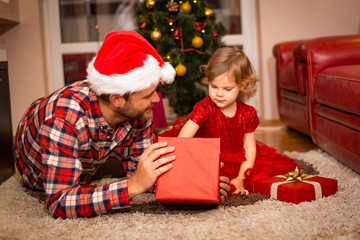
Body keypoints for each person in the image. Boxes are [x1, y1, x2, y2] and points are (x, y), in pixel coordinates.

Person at [14, 31, 229, 219]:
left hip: (95, 153)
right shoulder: (63, 119)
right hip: (37, 170)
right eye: (148, 95)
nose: (156, 100)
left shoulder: (138, 110)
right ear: (117, 99)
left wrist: (198, 183)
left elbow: (147, 170)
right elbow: (59, 202)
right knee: (94, 182)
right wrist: (132, 185)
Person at [167, 46, 298, 196]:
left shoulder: (247, 113)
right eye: (214, 86)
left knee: (261, 179)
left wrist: (241, 178)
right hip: (204, 159)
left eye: (227, 89)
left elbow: (250, 149)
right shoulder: (205, 108)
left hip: (237, 163)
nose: (219, 94)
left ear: (241, 85)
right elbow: (183, 141)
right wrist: (200, 167)